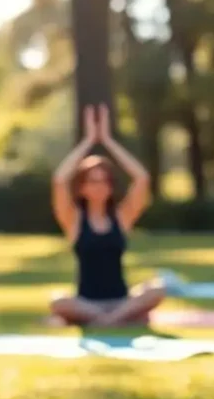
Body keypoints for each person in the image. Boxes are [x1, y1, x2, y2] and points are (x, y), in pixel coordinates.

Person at [49, 104, 166, 326]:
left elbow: (141, 178)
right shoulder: (74, 220)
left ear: (111, 187)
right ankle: (114, 319)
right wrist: (88, 141)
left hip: (120, 301)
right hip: (87, 303)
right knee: (57, 300)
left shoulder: (122, 218)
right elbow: (59, 180)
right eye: (93, 181)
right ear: (82, 187)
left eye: (105, 181)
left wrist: (107, 140)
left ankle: (107, 320)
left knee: (157, 289)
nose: (100, 186)